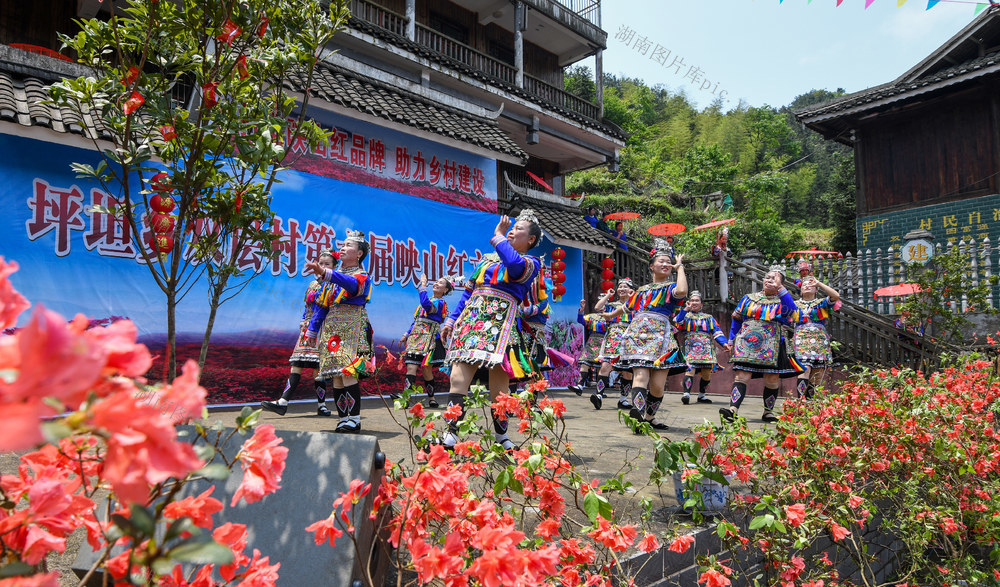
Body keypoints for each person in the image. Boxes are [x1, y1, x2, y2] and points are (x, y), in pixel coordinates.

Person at [440, 210, 543, 449]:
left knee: (499, 387)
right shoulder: (487, 260)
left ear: (530, 240)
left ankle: (502, 437)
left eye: (519, 229)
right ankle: (451, 434)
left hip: (503, 324)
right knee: (458, 378)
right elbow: (468, 293)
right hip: (473, 320)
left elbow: (514, 266)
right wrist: (451, 320)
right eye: (513, 227)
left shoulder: (530, 263)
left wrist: (498, 235)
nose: (513, 230)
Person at [606, 240, 687, 431]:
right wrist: (610, 315)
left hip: (662, 335)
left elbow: (683, 291)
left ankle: (649, 417)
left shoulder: (671, 288)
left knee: (658, 386)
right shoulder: (642, 291)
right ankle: (638, 416)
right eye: (661, 261)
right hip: (638, 334)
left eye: (669, 261)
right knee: (640, 375)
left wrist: (680, 266)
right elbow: (626, 307)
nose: (666, 264)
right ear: (651, 265)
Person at [302, 229, 373, 433]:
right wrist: (312, 331)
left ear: (359, 253)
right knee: (336, 376)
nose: (342, 248)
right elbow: (321, 306)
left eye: (348, 246)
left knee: (348, 372)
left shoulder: (360, 275)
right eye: (342, 245)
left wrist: (326, 273)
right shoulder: (334, 278)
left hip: (351, 327)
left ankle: (355, 419)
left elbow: (351, 285)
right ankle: (343, 418)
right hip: (332, 330)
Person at [720, 266, 803, 423]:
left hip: (772, 344)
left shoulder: (783, 300)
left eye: (774, 278)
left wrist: (780, 289)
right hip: (747, 342)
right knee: (741, 375)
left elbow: (792, 311)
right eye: (767, 277)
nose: (769, 280)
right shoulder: (749, 298)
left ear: (782, 283)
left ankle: (768, 412)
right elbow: (737, 319)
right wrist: (730, 340)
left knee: (771, 378)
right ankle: (732, 410)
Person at [261, 250, 339, 417]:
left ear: (334, 267)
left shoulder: (332, 284)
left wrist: (315, 327)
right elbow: (307, 306)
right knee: (296, 365)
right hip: (307, 328)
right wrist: (304, 322)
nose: (322, 266)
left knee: (318, 370)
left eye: (327, 264)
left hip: (322, 328)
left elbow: (324, 309)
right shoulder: (312, 284)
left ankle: (322, 405)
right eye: (321, 263)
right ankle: (283, 402)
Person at [398, 274, 454, 407]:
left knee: (426, 370)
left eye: (440, 283)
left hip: (429, 339)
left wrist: (423, 285)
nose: (436, 284)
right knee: (411, 367)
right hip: (416, 337)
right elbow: (416, 321)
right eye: (436, 282)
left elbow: (426, 305)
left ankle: (432, 398)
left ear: (445, 290)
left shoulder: (440, 303)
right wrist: (406, 334)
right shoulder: (428, 301)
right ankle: (406, 398)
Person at [673, 291, 730, 405]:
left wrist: (724, 343)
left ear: (701, 304)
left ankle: (701, 396)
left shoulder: (708, 318)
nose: (694, 302)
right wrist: (685, 310)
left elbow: (717, 332)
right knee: (690, 369)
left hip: (706, 348)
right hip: (690, 346)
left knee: (706, 373)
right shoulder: (685, 315)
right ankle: (686, 394)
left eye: (697, 300)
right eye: (692, 300)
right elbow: (677, 321)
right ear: (689, 302)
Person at [791, 276, 841, 399]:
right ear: (800, 290)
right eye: (804, 285)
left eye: (811, 285)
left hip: (819, 340)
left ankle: (810, 401)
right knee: (804, 369)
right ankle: (801, 400)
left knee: (818, 373)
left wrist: (819, 283)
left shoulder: (822, 303)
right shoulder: (793, 304)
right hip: (801, 339)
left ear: (816, 290)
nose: (807, 286)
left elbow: (836, 296)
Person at [590, 278, 636, 410]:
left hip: (630, 339)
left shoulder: (635, 306)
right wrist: (608, 295)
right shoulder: (612, 305)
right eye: (620, 286)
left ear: (631, 291)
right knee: (605, 366)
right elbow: (598, 307)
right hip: (613, 338)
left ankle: (623, 400)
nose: (621, 289)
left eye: (625, 287)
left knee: (628, 372)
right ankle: (599, 395)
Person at [569, 290, 615, 395]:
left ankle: (600, 392)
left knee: (602, 367)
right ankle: (580, 385)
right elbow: (581, 321)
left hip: (606, 341)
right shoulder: (592, 316)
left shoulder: (611, 316)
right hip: (592, 340)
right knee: (585, 363)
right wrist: (582, 310)